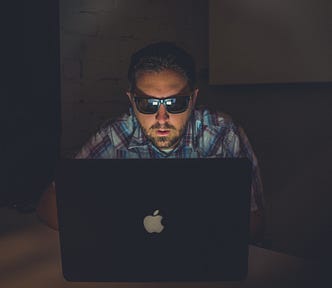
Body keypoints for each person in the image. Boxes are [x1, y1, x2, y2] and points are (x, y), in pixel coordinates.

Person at [37, 41, 265, 243]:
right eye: (148, 104)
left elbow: (253, 219)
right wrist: (109, 236)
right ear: (132, 100)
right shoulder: (114, 136)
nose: (162, 118)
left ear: (193, 99)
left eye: (175, 103)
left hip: (203, 258)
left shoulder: (223, 134)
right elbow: (49, 205)